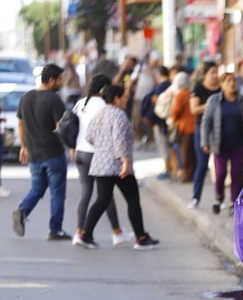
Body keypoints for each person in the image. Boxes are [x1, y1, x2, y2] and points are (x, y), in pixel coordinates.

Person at [73, 85, 159, 250]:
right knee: (132, 199)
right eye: (124, 98)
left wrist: (104, 147)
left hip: (100, 163)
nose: (126, 101)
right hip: (118, 165)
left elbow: (89, 136)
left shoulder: (100, 114)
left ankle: (85, 234)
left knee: (102, 200)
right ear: (116, 98)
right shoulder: (119, 115)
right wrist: (125, 161)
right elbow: (119, 140)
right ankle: (141, 238)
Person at [72, 75, 134, 247]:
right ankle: (113, 233)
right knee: (104, 196)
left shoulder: (81, 102)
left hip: (80, 152)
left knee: (91, 194)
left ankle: (81, 232)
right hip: (97, 154)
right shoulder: (104, 106)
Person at [12, 63, 71, 240]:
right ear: (51, 79)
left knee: (37, 188)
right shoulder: (54, 99)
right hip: (53, 153)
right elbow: (61, 126)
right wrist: (71, 144)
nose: (61, 83)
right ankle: (55, 229)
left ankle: (22, 211)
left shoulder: (26, 97)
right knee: (58, 193)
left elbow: (21, 124)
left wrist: (23, 146)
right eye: (60, 79)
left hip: (34, 154)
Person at [201, 72, 243, 215]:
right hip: (220, 144)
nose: (232, 83)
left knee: (236, 173)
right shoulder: (214, 101)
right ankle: (219, 196)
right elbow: (206, 122)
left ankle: (233, 202)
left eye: (233, 80)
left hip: (238, 144)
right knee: (221, 172)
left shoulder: (242, 101)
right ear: (222, 84)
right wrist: (205, 142)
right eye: (228, 81)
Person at [187, 61, 221, 209]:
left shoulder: (222, 87)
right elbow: (193, 109)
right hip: (203, 129)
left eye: (216, 72)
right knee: (202, 164)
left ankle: (220, 198)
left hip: (221, 129)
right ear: (205, 74)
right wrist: (211, 104)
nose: (215, 75)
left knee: (220, 166)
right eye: (212, 72)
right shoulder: (199, 88)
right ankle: (196, 197)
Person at [140, 65, 173, 179]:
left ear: (159, 74)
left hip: (160, 121)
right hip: (166, 120)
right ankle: (169, 168)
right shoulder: (169, 85)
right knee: (166, 144)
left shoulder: (162, 86)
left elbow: (155, 100)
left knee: (163, 145)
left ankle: (167, 168)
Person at [170, 72, 196, 184]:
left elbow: (175, 111)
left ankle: (187, 176)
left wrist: (173, 119)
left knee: (185, 153)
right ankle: (192, 173)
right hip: (194, 125)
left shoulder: (180, 94)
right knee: (192, 152)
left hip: (184, 127)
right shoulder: (191, 93)